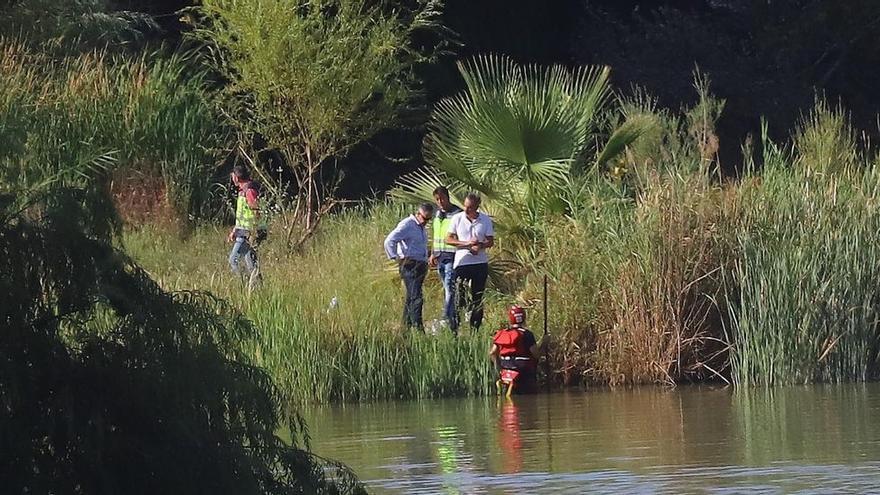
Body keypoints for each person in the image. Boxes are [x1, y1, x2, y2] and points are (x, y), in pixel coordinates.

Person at [445, 192, 494, 330]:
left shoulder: (485, 220)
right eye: (465, 206)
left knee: (478, 296)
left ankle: (475, 328)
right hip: (462, 262)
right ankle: (455, 327)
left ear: (477, 207)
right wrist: (466, 244)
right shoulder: (457, 218)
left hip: (479, 263)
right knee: (458, 296)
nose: (467, 210)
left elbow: (490, 241)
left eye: (470, 208)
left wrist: (480, 246)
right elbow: (448, 239)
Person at [384, 203, 434, 331]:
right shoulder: (407, 224)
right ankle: (418, 328)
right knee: (417, 298)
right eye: (424, 218)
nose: (426, 222)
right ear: (418, 214)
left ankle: (405, 328)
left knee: (411, 297)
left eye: (429, 219)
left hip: (420, 265)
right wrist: (395, 257)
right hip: (410, 265)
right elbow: (390, 240)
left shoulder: (421, 228)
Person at [489, 305, 547, 394]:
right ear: (524, 317)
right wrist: (544, 343)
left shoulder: (502, 333)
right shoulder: (527, 334)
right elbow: (536, 354)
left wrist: (499, 369)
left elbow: (492, 353)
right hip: (524, 372)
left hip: (506, 370)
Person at [429, 186, 462, 332]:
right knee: (447, 289)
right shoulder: (437, 214)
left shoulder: (457, 214)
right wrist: (432, 253)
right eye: (437, 199)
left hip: (452, 256)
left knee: (450, 288)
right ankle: (452, 318)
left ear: (447, 197)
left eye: (442, 198)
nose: (440, 202)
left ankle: (445, 318)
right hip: (439, 257)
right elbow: (436, 235)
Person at [228, 165, 267, 289]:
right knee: (250, 261)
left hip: (249, 232)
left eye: (233, 175)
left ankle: (245, 286)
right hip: (244, 231)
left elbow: (256, 211)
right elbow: (242, 215)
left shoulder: (249, 191)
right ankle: (258, 288)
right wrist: (235, 230)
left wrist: (253, 232)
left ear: (237, 177)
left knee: (233, 259)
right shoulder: (243, 190)